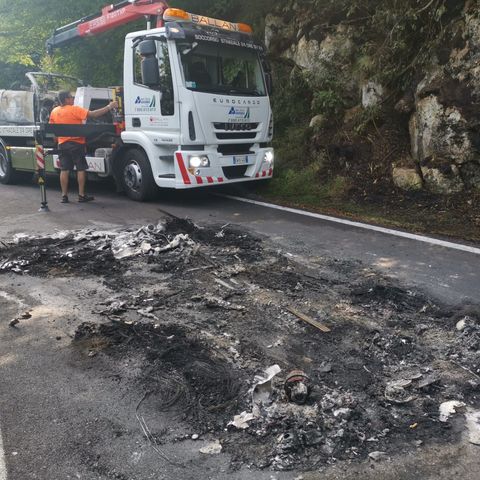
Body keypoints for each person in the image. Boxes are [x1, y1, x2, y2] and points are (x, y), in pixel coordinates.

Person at [49, 91, 118, 203]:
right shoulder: (74, 109)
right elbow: (93, 114)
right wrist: (109, 106)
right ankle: (81, 195)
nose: (73, 99)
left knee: (64, 169)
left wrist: (58, 141)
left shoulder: (54, 111)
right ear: (66, 99)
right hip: (76, 144)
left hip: (62, 144)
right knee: (81, 168)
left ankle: (64, 196)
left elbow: (53, 130)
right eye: (71, 97)